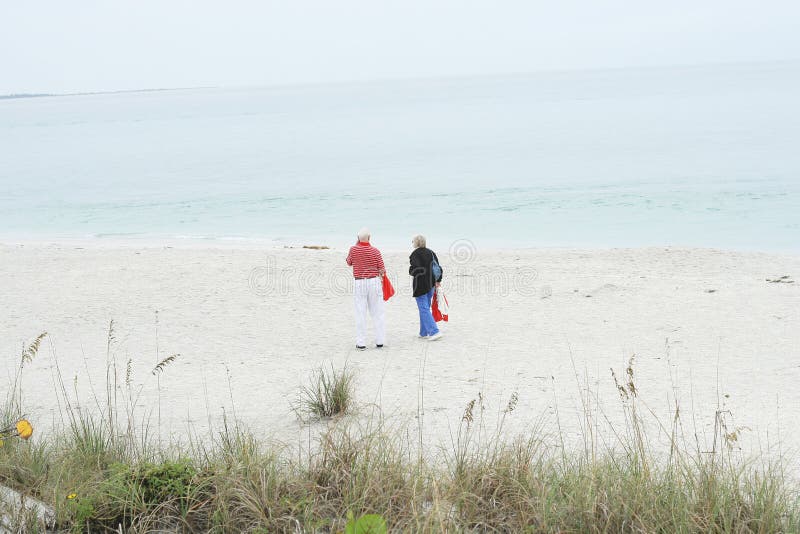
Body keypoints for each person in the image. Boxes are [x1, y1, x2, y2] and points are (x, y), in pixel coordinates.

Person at [346, 227, 386, 350]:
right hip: (374, 281)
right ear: (369, 238)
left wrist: (356, 245)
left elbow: (349, 262)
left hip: (360, 282)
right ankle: (380, 340)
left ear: (358, 238)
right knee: (377, 312)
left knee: (360, 312)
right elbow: (382, 270)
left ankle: (361, 342)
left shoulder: (353, 249)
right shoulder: (375, 251)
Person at [409, 234, 443, 341]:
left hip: (420, 285)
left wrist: (410, 270)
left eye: (413, 241)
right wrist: (438, 280)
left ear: (417, 243)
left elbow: (416, 270)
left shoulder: (415, 254)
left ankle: (434, 331)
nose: (412, 243)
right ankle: (423, 332)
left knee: (423, 308)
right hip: (431, 283)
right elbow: (438, 267)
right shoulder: (431, 252)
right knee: (425, 308)